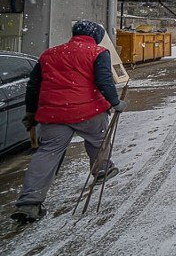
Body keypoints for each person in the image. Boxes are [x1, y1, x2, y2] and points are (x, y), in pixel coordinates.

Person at [11, 20, 127, 222]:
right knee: (98, 140)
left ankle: (29, 202)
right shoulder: (98, 53)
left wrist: (31, 112)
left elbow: (34, 85)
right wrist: (115, 102)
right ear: (96, 37)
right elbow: (104, 80)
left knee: (47, 153)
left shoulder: (49, 54)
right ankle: (101, 170)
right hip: (88, 111)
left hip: (53, 114)